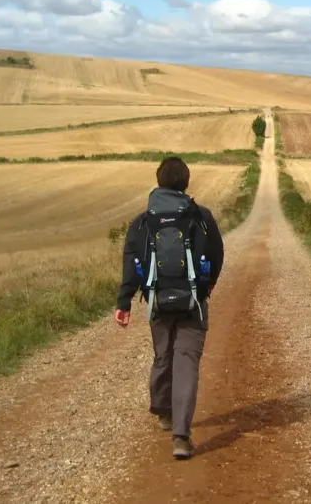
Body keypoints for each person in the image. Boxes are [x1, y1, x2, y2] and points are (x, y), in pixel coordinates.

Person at [113, 156, 225, 459]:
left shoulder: (143, 220)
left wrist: (124, 301)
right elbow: (217, 252)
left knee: (163, 355)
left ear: (159, 182)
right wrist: (208, 284)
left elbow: (131, 262)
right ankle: (181, 436)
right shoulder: (201, 216)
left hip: (158, 302)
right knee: (186, 360)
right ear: (186, 183)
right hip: (193, 302)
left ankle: (164, 412)